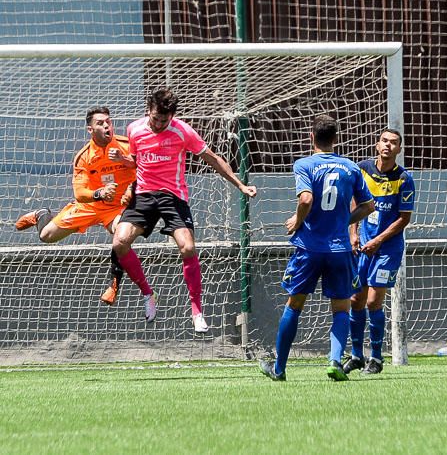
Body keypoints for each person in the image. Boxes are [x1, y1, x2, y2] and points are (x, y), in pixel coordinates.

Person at [111, 87, 257, 333]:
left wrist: (240, 184)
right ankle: (148, 294)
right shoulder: (134, 129)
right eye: (155, 118)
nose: (158, 124)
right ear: (148, 111)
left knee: (188, 247)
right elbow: (138, 162)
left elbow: (212, 158)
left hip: (172, 196)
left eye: (163, 120)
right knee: (119, 242)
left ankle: (197, 309)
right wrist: (124, 162)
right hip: (144, 195)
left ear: (172, 117)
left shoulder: (182, 131)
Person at [260, 115, 375, 381]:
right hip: (340, 250)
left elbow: (307, 199)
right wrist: (343, 221)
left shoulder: (304, 164)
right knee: (341, 308)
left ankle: (279, 369)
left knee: (294, 304)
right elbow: (369, 206)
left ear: (311, 137)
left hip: (309, 248)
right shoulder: (351, 167)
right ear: (336, 139)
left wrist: (297, 220)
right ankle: (335, 361)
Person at [15, 106, 135, 305]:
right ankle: (41, 214)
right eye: (100, 123)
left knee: (121, 236)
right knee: (46, 236)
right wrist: (99, 193)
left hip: (118, 208)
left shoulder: (126, 145)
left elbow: (146, 170)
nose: (107, 125)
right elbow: (80, 194)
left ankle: (114, 285)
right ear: (90, 130)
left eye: (108, 121)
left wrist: (132, 188)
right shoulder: (83, 156)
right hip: (90, 206)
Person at [342, 128, 415, 375]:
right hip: (362, 245)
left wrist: (379, 240)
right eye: (384, 141)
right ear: (377, 144)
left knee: (374, 301)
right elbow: (357, 203)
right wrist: (353, 233)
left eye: (393, 143)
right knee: (355, 299)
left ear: (399, 149)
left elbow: (404, 219)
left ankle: (376, 358)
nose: (388, 146)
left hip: (388, 249)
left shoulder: (404, 179)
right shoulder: (362, 169)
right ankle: (355, 355)